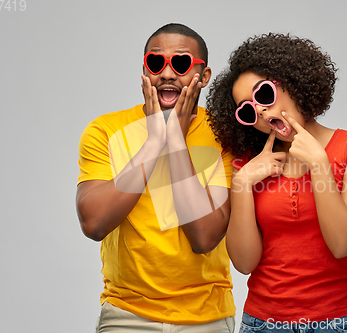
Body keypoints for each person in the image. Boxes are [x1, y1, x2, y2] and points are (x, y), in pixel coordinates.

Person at [206, 33, 347, 333]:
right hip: (262, 324)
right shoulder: (251, 162)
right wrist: (243, 183)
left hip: (339, 323)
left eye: (263, 95)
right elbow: (245, 263)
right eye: (248, 110)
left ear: (291, 82)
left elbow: (342, 244)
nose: (259, 110)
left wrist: (318, 163)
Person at [76, 23, 235, 332]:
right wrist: (153, 142)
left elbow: (204, 237)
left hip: (207, 318)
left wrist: (174, 139)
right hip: (126, 315)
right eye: (155, 62)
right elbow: (94, 224)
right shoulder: (104, 131)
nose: (167, 73)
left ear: (203, 76)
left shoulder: (225, 136)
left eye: (181, 63)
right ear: (145, 72)